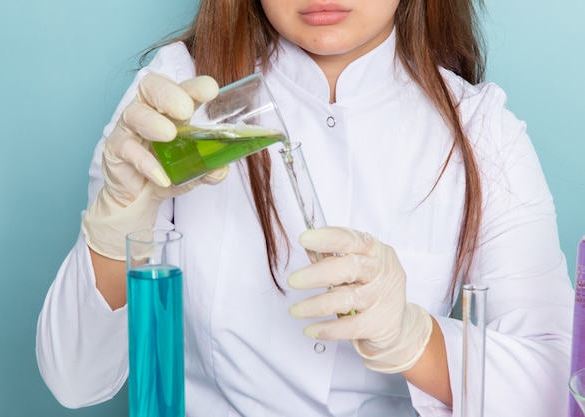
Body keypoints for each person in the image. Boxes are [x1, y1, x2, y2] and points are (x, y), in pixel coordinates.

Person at [36, 0, 575, 415]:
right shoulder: (182, 99)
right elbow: (75, 379)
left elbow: (555, 389)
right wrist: (115, 226)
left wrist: (413, 337)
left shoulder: (481, 131)